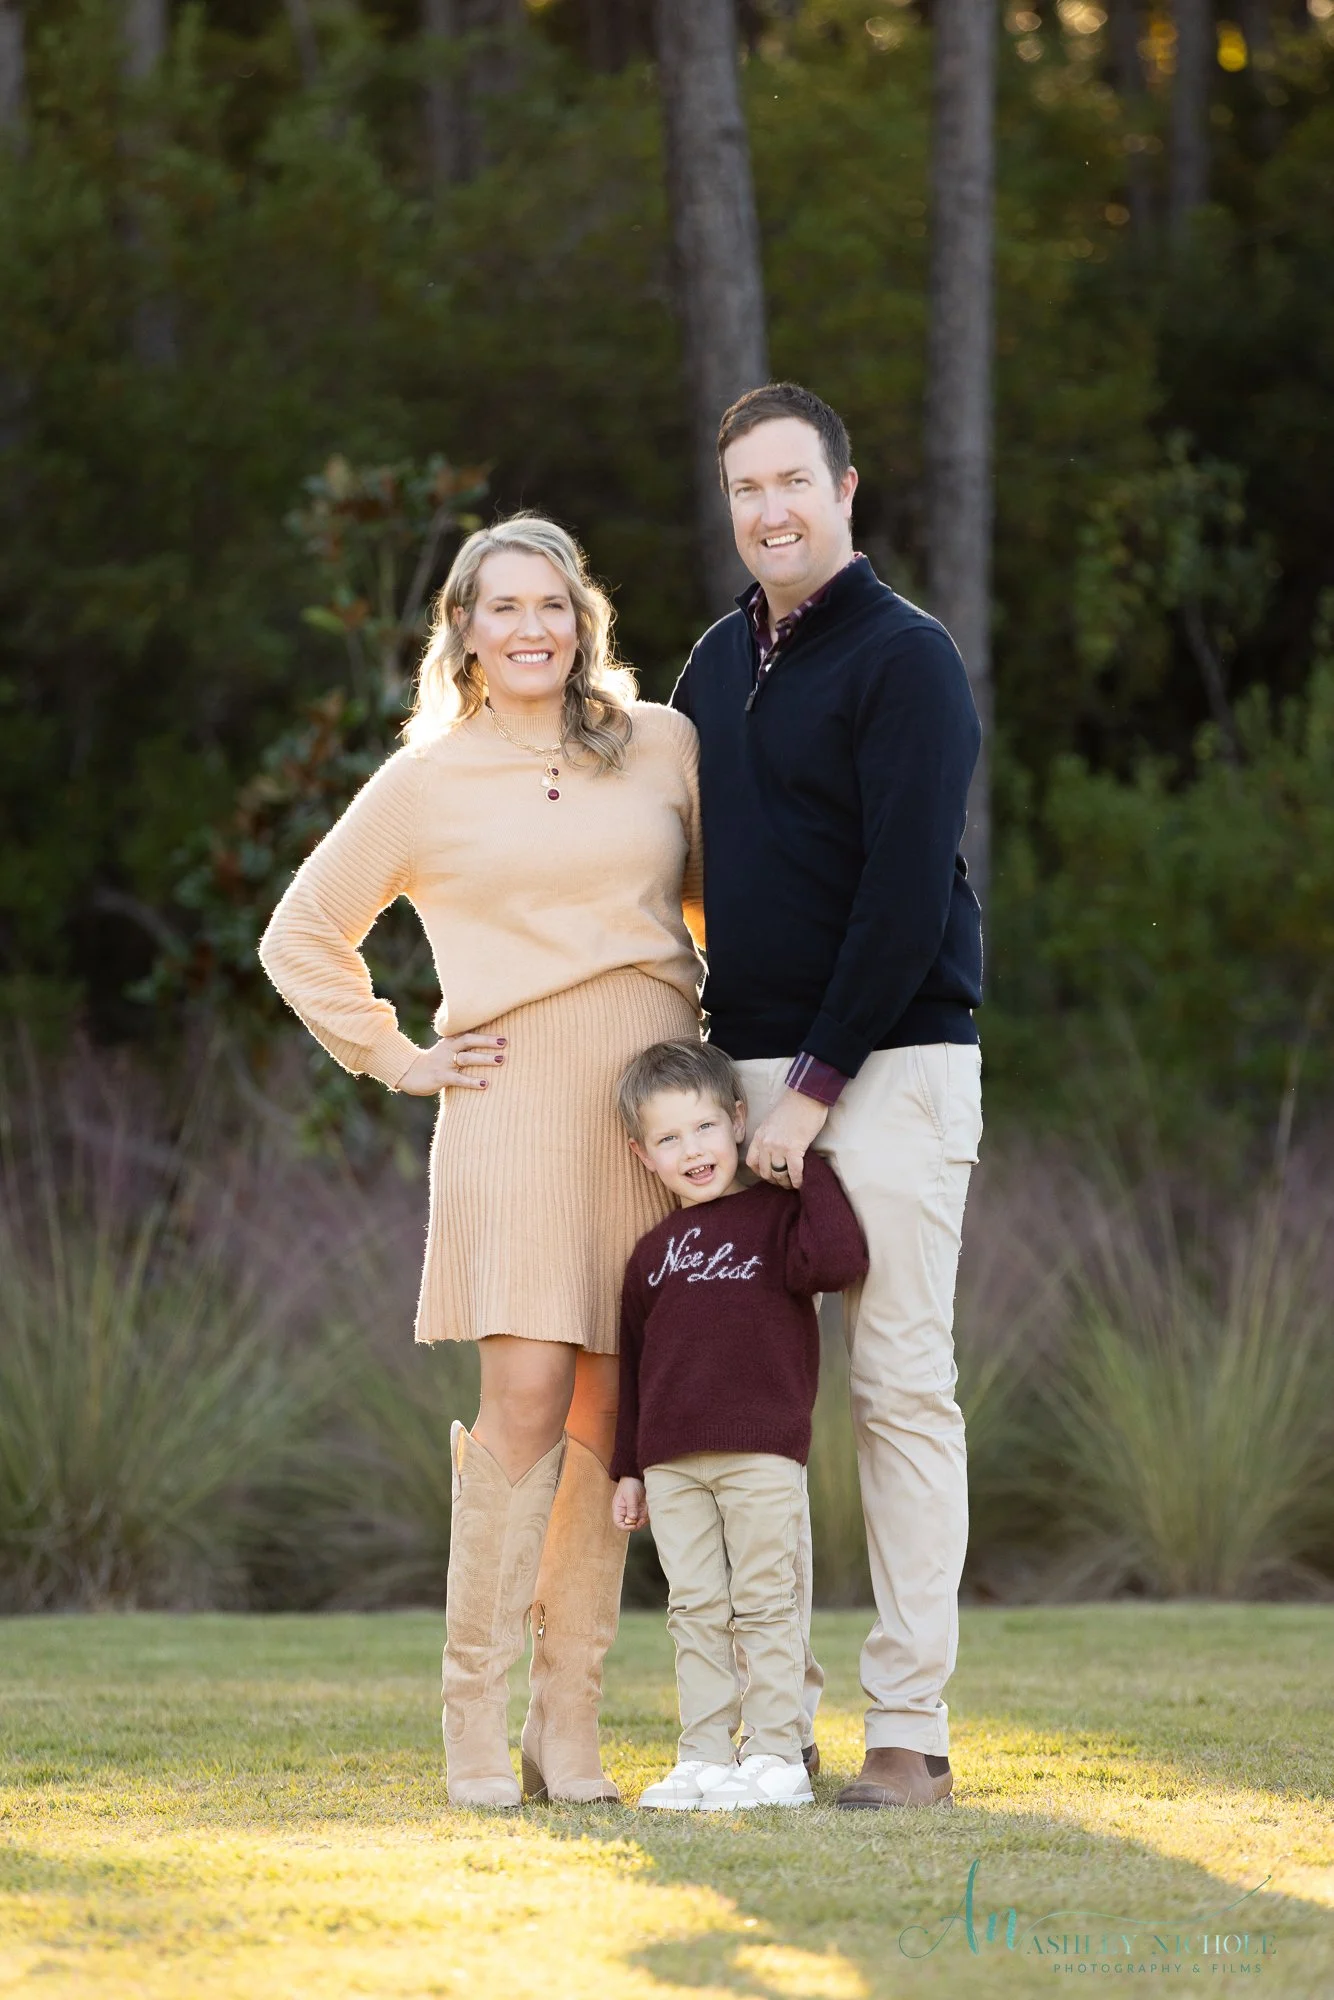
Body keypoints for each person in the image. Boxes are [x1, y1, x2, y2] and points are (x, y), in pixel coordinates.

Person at [259, 514, 705, 1809]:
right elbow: (304, 935)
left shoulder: (661, 745)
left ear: (583, 620)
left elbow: (719, 910)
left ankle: (567, 1728)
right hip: (510, 1110)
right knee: (522, 1396)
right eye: (501, 607)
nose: (530, 628)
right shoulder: (425, 782)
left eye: (551, 605)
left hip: (648, 1105)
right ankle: (471, 1724)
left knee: (610, 1416)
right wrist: (395, 1058)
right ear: (460, 628)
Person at [671, 382, 984, 1811]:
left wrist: (812, 1084)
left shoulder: (905, 659)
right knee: (746, 1410)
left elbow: (904, 897)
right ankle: (764, 1728)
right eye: (746, 490)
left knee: (899, 1391)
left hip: (888, 1073)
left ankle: (907, 1731)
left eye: (792, 481)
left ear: (845, 490)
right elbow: (686, 878)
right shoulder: (704, 670)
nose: (770, 511)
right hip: (741, 1080)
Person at [608, 1040, 867, 1811]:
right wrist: (629, 1467)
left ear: (739, 1123)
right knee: (694, 1611)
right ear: (641, 1153)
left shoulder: (778, 1219)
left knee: (765, 1603)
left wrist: (804, 1166)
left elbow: (840, 1260)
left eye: (705, 1129)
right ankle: (705, 1757)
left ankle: (778, 1753)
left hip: (762, 1453)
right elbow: (635, 1368)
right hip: (672, 1464)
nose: (692, 1151)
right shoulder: (650, 1256)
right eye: (668, 1138)